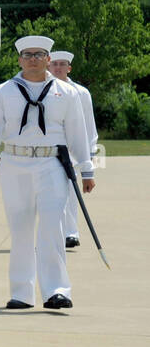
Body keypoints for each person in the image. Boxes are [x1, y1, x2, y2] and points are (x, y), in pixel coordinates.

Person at [0, 36, 95, 309]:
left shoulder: (67, 93)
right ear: (19, 60)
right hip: (14, 164)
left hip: (51, 163)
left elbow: (78, 133)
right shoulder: (3, 92)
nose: (33, 59)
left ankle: (57, 291)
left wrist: (87, 169)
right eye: (27, 54)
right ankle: (21, 292)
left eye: (39, 54)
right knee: (20, 228)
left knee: (53, 226)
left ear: (48, 60)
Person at [47, 51, 99, 249]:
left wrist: (89, 155)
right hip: (50, 152)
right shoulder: (44, 90)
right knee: (51, 195)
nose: (58, 68)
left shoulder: (81, 93)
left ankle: (71, 233)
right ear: (49, 66)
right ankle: (55, 233)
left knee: (70, 193)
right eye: (55, 64)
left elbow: (89, 126)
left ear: (69, 68)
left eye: (63, 64)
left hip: (74, 152)